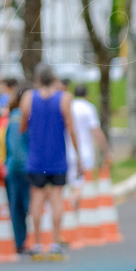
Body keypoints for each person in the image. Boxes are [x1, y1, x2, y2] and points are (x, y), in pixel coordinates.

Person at [21, 63, 80, 260]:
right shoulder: (64, 98)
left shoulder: (29, 98)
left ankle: (37, 243)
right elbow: (71, 128)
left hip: (36, 158)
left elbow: (22, 125)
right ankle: (55, 242)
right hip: (57, 158)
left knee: (36, 200)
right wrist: (78, 154)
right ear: (53, 78)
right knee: (56, 199)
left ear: (37, 78)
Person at [65, 84, 112, 219]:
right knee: (82, 184)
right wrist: (106, 150)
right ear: (87, 95)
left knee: (72, 183)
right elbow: (96, 131)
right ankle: (72, 203)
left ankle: (75, 217)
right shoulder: (89, 108)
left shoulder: (70, 107)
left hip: (69, 151)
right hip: (85, 152)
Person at [4, 84, 32, 253]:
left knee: (21, 206)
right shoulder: (17, 117)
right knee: (19, 207)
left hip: (19, 167)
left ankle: (22, 241)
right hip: (19, 169)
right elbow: (16, 147)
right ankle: (20, 242)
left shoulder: (21, 116)